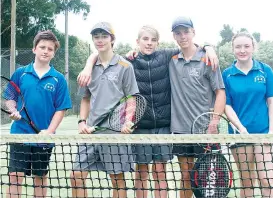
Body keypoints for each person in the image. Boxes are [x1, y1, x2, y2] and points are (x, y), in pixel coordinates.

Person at [77, 23, 219, 197]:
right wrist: (88, 63)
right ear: (137, 41)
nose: (149, 43)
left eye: (153, 40)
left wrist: (209, 47)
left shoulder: (167, 55)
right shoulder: (129, 61)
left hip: (164, 126)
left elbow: (188, 45)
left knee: (160, 171)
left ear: (158, 43)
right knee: (142, 172)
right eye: (145, 39)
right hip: (140, 126)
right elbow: (101, 54)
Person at [70, 22, 139, 198]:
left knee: (117, 180)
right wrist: (81, 122)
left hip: (115, 134)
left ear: (112, 39)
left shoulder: (125, 66)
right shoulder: (89, 69)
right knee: (76, 176)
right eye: (96, 37)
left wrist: (128, 121)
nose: (100, 40)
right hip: (91, 133)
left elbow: (131, 98)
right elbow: (86, 98)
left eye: (104, 36)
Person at [6, 30, 72, 198]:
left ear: (54, 53)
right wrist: (13, 110)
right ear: (34, 49)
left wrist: (49, 132)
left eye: (50, 49)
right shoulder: (21, 74)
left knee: (40, 177)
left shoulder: (58, 79)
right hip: (19, 135)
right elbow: (10, 97)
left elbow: (61, 108)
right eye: (42, 47)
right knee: (14, 177)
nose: (45, 51)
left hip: (44, 138)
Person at [169, 17, 226, 198]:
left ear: (193, 32)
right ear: (174, 36)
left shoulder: (208, 59)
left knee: (207, 180)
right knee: (186, 177)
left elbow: (220, 93)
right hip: (180, 131)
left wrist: (214, 122)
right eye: (178, 33)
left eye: (186, 31)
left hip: (205, 131)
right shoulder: (170, 59)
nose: (183, 36)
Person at [222, 31, 273, 198]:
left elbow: (271, 102)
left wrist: (271, 131)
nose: (242, 50)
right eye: (238, 46)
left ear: (253, 48)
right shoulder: (227, 74)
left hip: (263, 133)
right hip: (239, 135)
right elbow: (227, 106)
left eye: (246, 46)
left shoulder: (265, 71)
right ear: (233, 49)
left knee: (267, 180)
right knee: (247, 182)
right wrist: (241, 128)